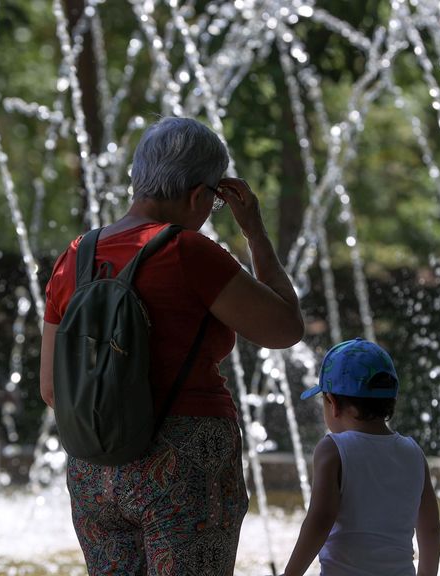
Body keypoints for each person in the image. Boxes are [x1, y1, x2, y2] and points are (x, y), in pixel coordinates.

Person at [40, 116, 304, 575]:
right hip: (185, 463)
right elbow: (285, 328)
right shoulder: (187, 251)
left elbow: (50, 387)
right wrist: (255, 233)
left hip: (93, 469)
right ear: (201, 196)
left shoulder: (76, 255)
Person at [282, 338, 440, 576]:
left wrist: (290, 574)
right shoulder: (413, 452)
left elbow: (321, 519)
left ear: (332, 403)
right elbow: (430, 529)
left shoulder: (333, 449)